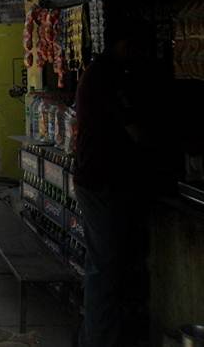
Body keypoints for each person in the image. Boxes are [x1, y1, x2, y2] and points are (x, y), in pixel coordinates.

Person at [74, 24, 153, 347]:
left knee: (108, 265)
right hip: (100, 180)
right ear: (123, 44)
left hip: (98, 178)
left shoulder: (102, 72)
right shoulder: (107, 76)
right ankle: (97, 339)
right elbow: (134, 130)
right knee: (104, 267)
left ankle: (101, 335)